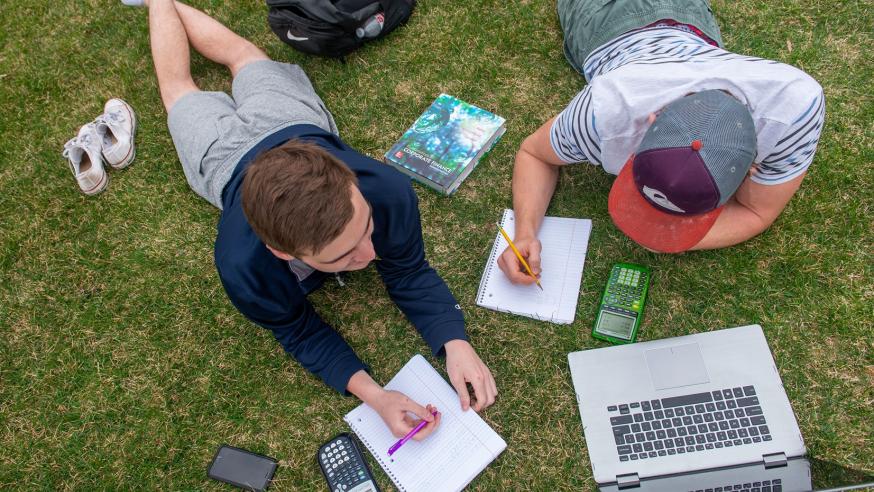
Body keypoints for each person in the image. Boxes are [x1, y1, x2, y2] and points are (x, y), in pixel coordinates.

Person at [122, 0, 497, 440]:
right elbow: (298, 331)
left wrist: (455, 341)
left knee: (245, 57)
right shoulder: (243, 267)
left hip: (290, 119)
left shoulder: (387, 191)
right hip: (221, 157)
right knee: (177, 89)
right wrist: (374, 395)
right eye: (344, 254)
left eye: (366, 227)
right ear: (283, 253)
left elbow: (409, 270)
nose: (373, 253)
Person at [499, 0, 825, 283]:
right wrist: (525, 232)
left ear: (751, 164)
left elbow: (756, 212)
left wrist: (669, 237)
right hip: (602, 21)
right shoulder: (606, 112)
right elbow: (534, 153)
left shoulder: (793, 109)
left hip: (688, 22)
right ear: (651, 119)